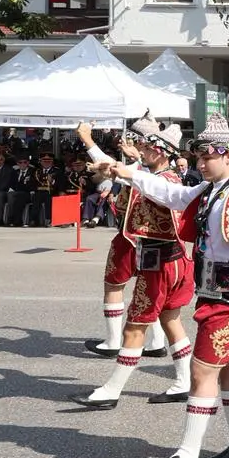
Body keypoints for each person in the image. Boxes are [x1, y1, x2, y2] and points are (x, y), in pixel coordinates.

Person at [94, 115, 229, 458]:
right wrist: (126, 172)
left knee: (203, 370)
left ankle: (187, 456)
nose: (200, 165)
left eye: (207, 158)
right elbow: (171, 194)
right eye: (198, 158)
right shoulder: (207, 189)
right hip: (214, 291)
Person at [70, 119, 195, 409]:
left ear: (161, 152)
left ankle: (111, 391)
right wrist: (108, 163)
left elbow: (135, 177)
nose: (141, 149)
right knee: (171, 321)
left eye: (148, 147)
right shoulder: (159, 176)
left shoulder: (161, 181)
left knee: (134, 328)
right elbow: (128, 173)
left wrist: (111, 164)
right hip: (174, 261)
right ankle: (184, 381)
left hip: (159, 264)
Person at [77, 122, 167, 359]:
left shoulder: (144, 171)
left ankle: (113, 341)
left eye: (143, 144)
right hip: (149, 238)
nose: (139, 147)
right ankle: (157, 341)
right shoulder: (157, 171)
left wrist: (87, 139)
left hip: (131, 235)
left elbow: (115, 168)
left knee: (114, 285)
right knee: (146, 291)